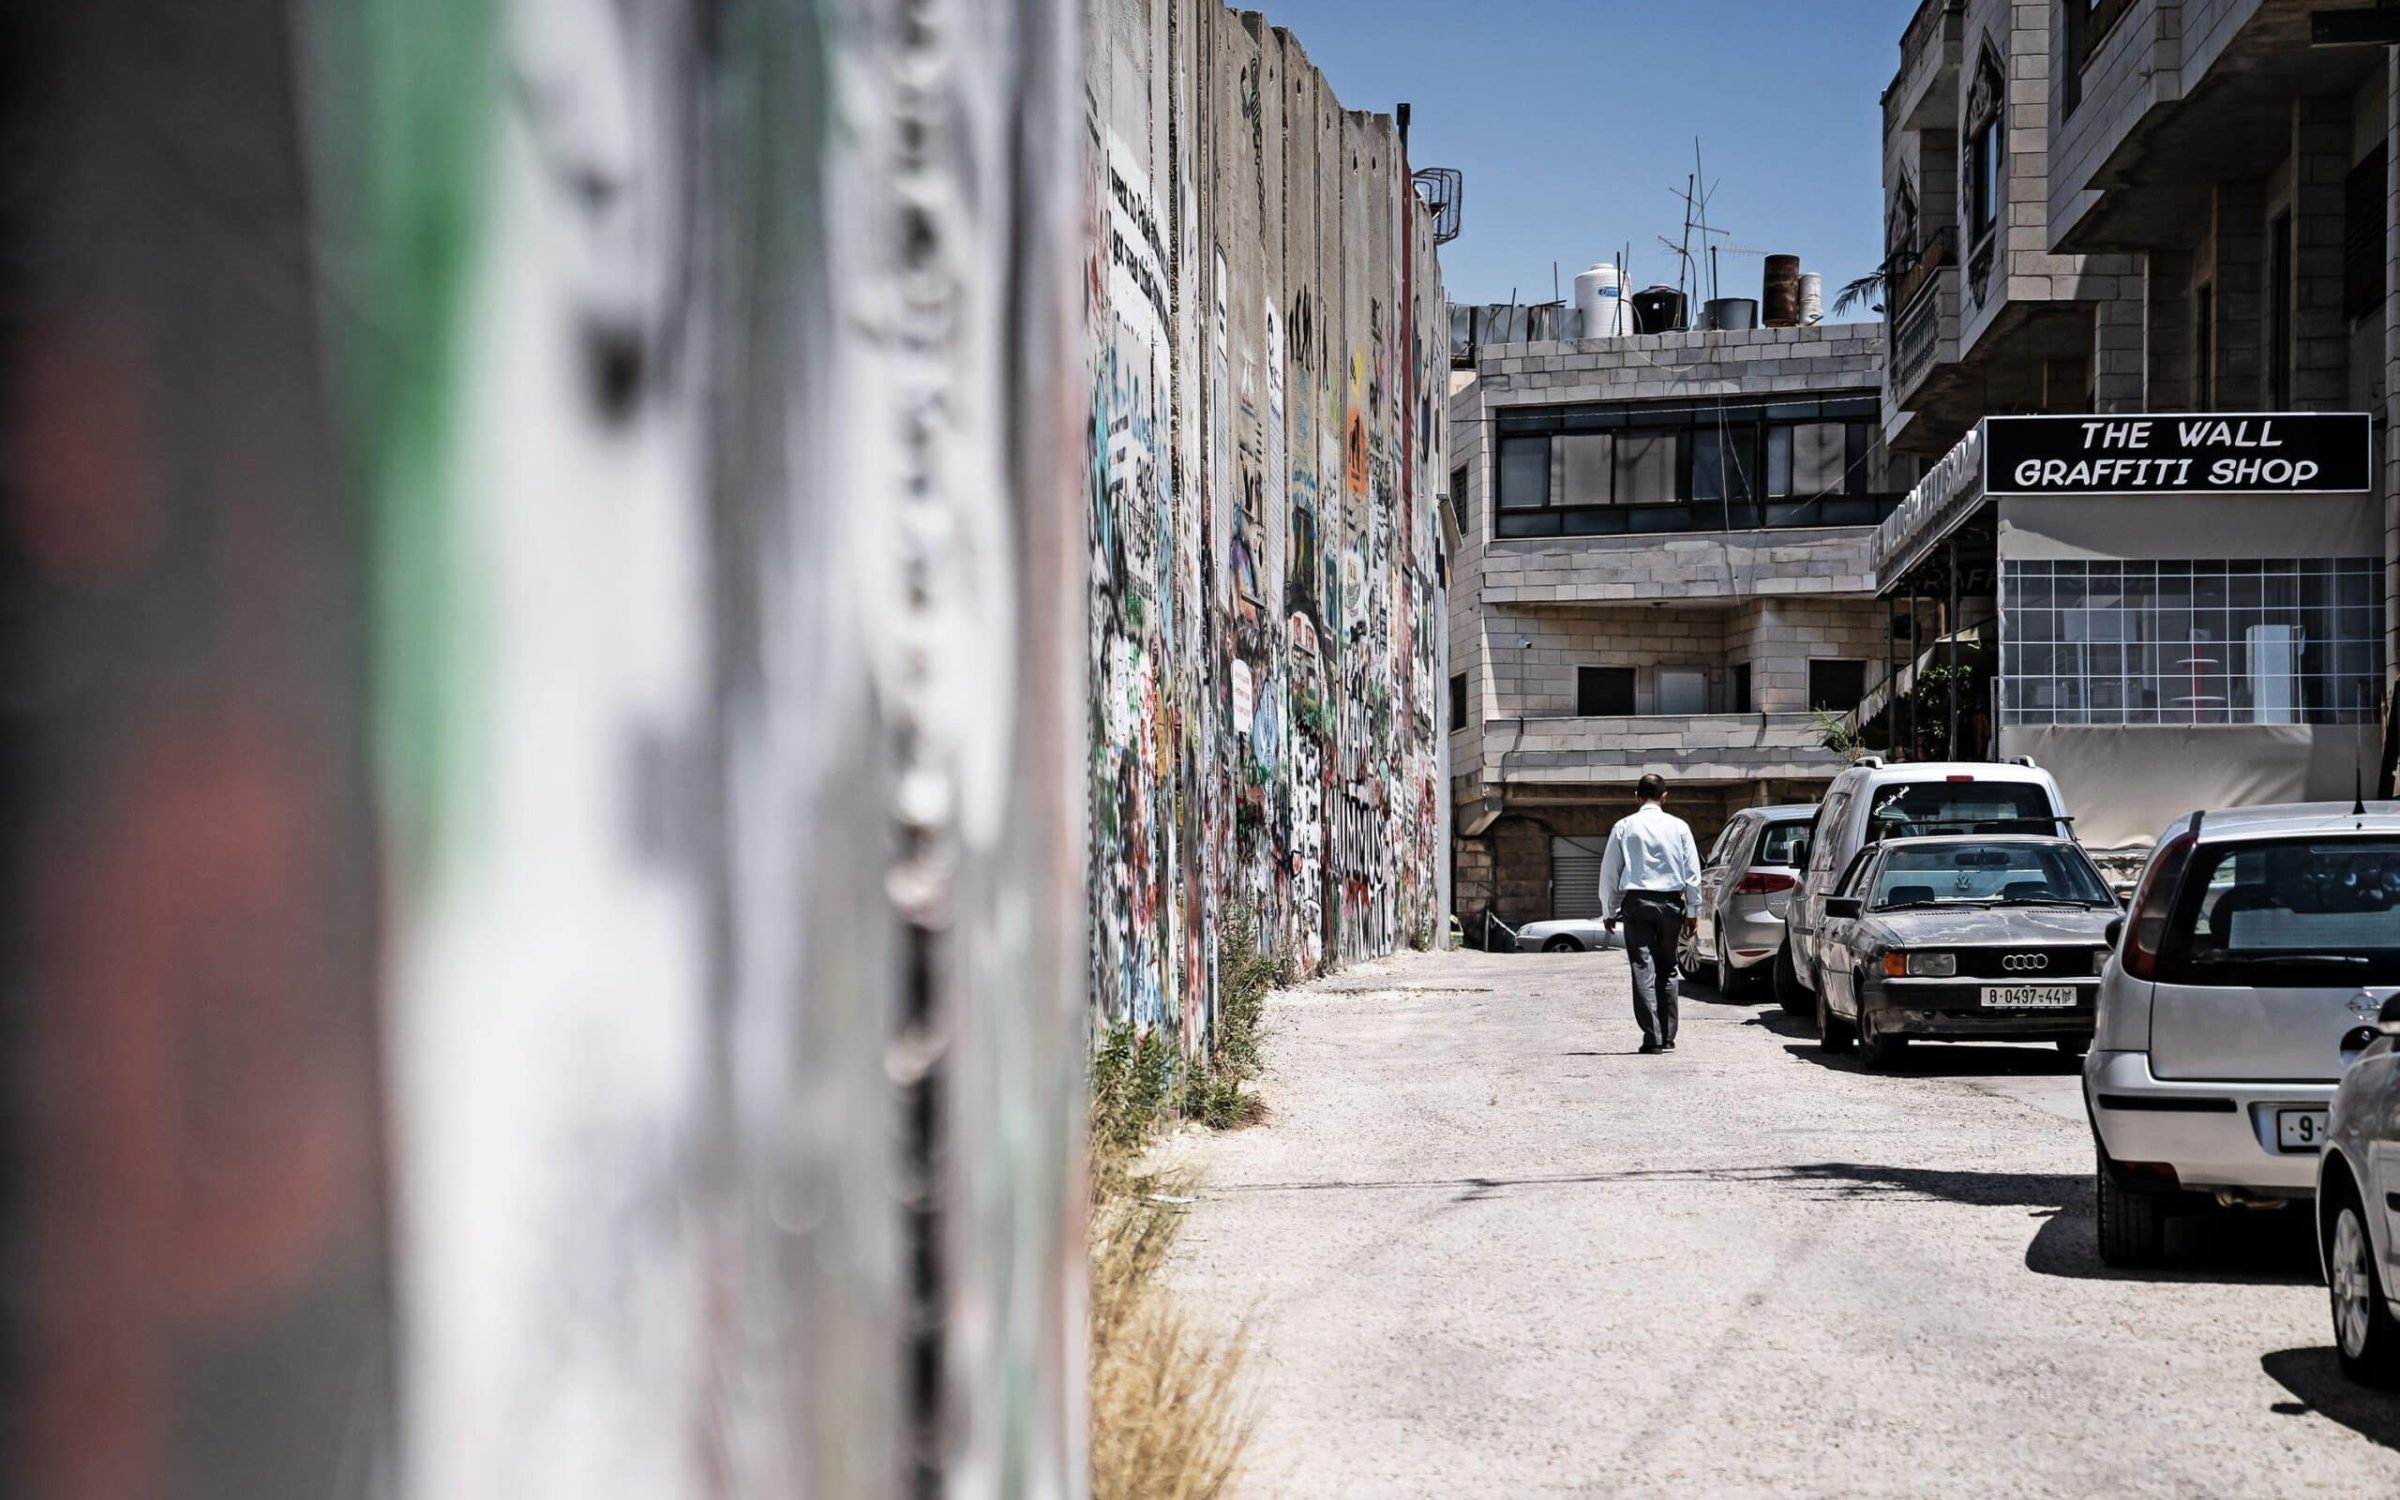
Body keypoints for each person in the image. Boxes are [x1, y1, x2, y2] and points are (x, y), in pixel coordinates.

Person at [1598, 773, 1702, 1054]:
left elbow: (1609, 871)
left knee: (1643, 968)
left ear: (1636, 796)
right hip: (1671, 903)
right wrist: (1693, 910)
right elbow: (1693, 872)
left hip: (1637, 902)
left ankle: (1652, 1037)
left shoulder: (1624, 826)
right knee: (1668, 968)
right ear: (1665, 796)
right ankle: (1668, 1035)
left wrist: (1607, 909)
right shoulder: (1679, 827)